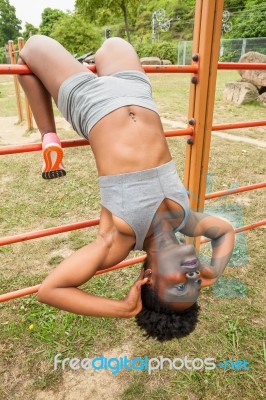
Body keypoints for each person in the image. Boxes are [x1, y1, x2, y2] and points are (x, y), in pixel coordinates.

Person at [18, 35, 235, 341]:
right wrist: (217, 268)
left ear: (147, 279)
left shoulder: (118, 239)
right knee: (114, 43)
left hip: (90, 102)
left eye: (179, 285)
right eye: (196, 284)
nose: (192, 276)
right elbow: (225, 232)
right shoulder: (185, 219)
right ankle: (84, 64)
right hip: (136, 92)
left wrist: (123, 308)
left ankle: (48, 135)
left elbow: (51, 290)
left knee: (31, 48)